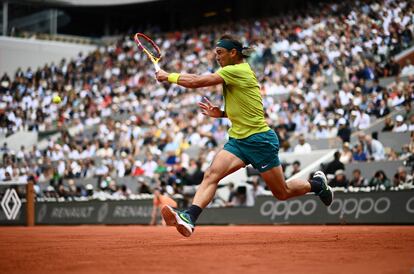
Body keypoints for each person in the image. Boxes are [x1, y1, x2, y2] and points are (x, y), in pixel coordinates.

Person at [155, 35, 333, 237]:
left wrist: (168, 76)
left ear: (233, 53)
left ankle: (317, 184)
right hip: (238, 141)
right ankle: (190, 217)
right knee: (211, 175)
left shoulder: (237, 70)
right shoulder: (233, 72)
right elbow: (246, 108)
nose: (217, 57)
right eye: (215, 53)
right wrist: (221, 113)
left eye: (220, 53)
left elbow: (197, 81)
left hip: (260, 141)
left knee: (282, 193)